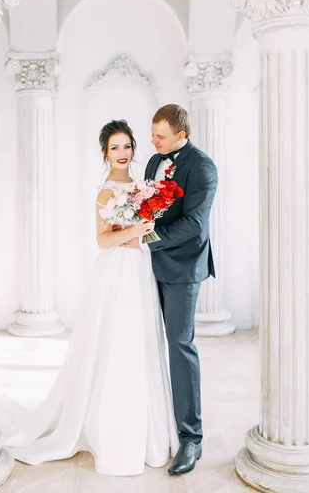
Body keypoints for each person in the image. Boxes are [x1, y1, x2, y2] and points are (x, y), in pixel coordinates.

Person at [0, 119, 179, 476]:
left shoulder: (143, 187)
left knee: (141, 342)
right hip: (116, 273)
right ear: (105, 153)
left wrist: (146, 231)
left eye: (126, 147)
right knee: (114, 344)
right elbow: (102, 240)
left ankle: (147, 426)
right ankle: (110, 429)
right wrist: (135, 230)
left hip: (139, 270)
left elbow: (143, 235)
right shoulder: (105, 192)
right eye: (115, 148)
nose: (122, 154)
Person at [122, 104, 218, 475]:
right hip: (148, 265)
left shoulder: (203, 167)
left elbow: (194, 224)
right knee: (146, 342)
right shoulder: (153, 162)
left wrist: (145, 240)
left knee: (180, 345)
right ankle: (153, 422)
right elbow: (147, 209)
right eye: (152, 133)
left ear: (181, 135)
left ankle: (191, 438)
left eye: (159, 136)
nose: (151, 140)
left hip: (182, 269)